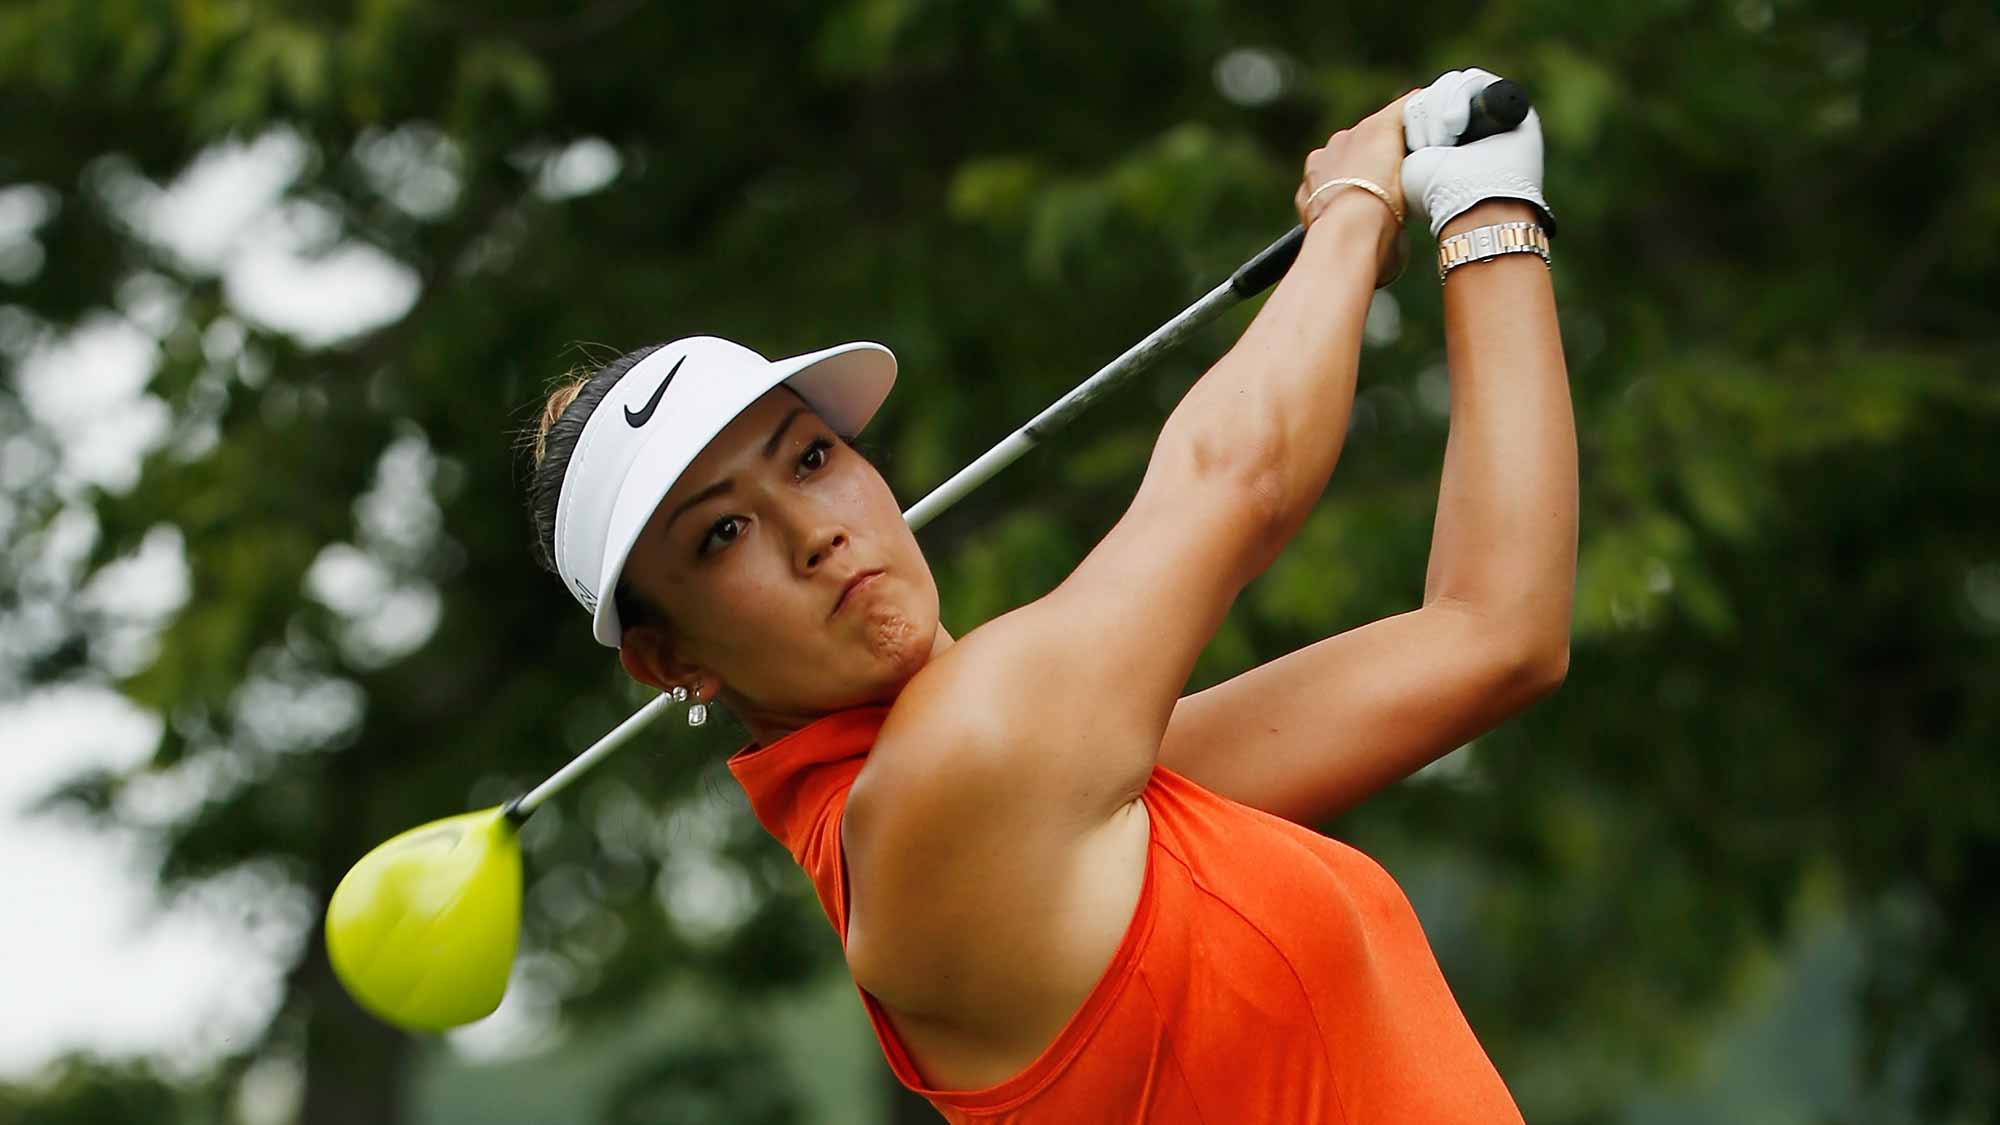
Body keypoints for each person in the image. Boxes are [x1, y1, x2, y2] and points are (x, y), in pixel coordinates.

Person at [522, 67, 1575, 1124]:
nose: (813, 532)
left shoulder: (1061, 785)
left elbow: (1493, 634)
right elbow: (1234, 482)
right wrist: (1351, 209)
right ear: (669, 660)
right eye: (721, 533)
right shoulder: (945, 796)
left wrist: (1487, 209)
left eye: (807, 458)